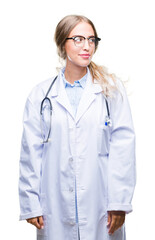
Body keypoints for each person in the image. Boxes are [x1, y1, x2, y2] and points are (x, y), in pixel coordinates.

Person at [19, 15, 136, 240]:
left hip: (101, 206)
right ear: (63, 43)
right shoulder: (40, 96)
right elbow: (30, 153)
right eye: (78, 39)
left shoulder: (110, 91)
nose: (87, 46)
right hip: (55, 205)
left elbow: (123, 149)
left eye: (92, 40)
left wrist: (119, 202)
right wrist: (30, 203)